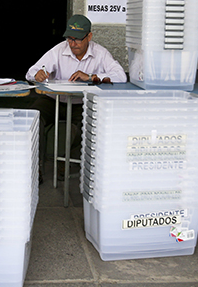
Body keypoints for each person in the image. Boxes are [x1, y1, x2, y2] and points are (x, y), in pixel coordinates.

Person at [26, 14, 127, 181]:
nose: (72, 44)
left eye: (78, 39)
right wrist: (37, 74)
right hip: (54, 99)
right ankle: (35, 167)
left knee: (91, 122)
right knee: (33, 118)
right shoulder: (59, 50)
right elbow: (31, 71)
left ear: (89, 36)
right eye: (70, 39)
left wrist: (91, 76)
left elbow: (120, 76)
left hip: (82, 102)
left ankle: (68, 163)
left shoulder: (100, 53)